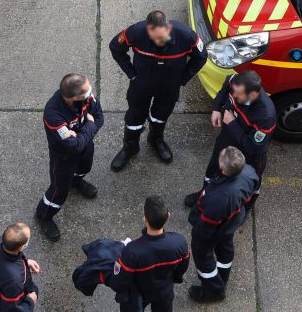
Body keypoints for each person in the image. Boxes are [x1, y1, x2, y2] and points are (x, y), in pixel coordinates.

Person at [109, 10, 208, 170]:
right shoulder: (135, 32)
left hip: (169, 88)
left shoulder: (186, 35)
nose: (159, 41)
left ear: (168, 28)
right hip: (141, 85)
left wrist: (182, 79)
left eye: (162, 37)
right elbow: (115, 47)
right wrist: (131, 73)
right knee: (134, 118)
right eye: (155, 38)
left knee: (160, 116)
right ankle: (130, 147)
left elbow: (201, 56)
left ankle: (155, 140)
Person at [183, 70, 274, 209]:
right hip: (227, 137)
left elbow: (252, 147)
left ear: (253, 94)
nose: (234, 95)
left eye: (238, 94)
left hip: (250, 153)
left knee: (249, 181)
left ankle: (243, 208)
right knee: (213, 168)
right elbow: (223, 92)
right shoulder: (234, 81)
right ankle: (205, 194)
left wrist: (232, 123)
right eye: (234, 91)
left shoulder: (265, 115)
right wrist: (216, 108)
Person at [34, 73, 104, 241]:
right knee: (58, 191)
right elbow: (73, 146)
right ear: (74, 97)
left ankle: (76, 181)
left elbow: (100, 117)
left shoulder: (86, 98)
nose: (91, 95)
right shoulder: (53, 114)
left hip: (85, 147)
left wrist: (82, 134)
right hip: (63, 157)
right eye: (87, 93)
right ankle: (43, 215)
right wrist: (90, 125)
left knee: (85, 167)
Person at [187, 146, 259, 303]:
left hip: (215, 228)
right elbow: (253, 195)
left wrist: (198, 237)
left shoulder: (218, 198)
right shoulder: (249, 172)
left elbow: (206, 228)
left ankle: (214, 290)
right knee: (225, 248)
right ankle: (223, 276)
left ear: (222, 168)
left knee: (203, 257)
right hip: (232, 222)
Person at [110, 196, 190, 311]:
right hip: (164, 290)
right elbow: (183, 267)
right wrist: (175, 278)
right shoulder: (180, 242)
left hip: (139, 291)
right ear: (168, 215)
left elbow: (119, 279)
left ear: (145, 219)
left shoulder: (131, 251)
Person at [0, 223, 40, 311]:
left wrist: (25, 262)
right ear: (22, 248)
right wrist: (30, 301)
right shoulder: (14, 282)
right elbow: (12, 309)